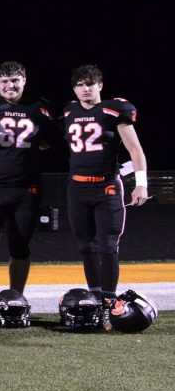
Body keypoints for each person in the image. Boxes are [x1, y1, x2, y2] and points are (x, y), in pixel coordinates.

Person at [0, 62, 57, 320]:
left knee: (20, 247)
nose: (10, 85)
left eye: (15, 80)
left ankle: (16, 299)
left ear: (24, 80)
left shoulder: (39, 108)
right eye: (4, 81)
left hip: (26, 188)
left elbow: (51, 144)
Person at [62, 65, 148, 307]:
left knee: (108, 245)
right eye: (80, 84)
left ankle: (109, 300)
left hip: (106, 187)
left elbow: (135, 149)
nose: (85, 88)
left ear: (100, 85)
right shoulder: (69, 111)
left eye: (90, 83)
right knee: (85, 245)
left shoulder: (114, 110)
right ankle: (95, 295)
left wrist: (141, 184)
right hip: (77, 187)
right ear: (74, 89)